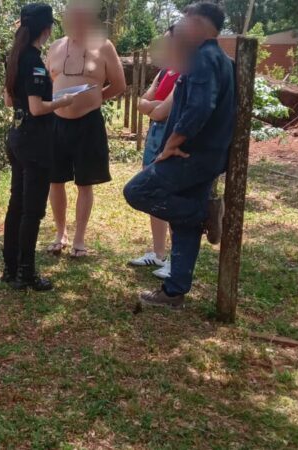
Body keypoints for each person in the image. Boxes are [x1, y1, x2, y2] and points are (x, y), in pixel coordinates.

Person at [123, 1, 235, 309]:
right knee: (182, 222)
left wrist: (173, 141)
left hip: (191, 155)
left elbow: (200, 108)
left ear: (198, 26)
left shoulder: (203, 59)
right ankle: (174, 292)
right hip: (204, 156)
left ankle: (204, 214)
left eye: (185, 22)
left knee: (137, 190)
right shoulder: (219, 59)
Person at [2, 3, 74, 291]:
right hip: (34, 141)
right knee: (32, 210)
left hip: (17, 137)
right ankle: (26, 274)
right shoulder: (33, 61)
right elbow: (37, 107)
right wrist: (62, 101)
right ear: (46, 29)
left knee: (16, 204)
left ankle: (10, 268)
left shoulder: (15, 57)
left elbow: (9, 101)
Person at [45, 0, 126, 258]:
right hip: (56, 123)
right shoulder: (55, 47)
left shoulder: (104, 47)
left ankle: (79, 238)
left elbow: (119, 84)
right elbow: (48, 84)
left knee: (85, 182)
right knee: (54, 180)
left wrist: (93, 99)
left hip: (88, 123)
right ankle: (61, 233)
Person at [127, 25, 183, 279]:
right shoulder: (163, 73)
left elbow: (161, 110)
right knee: (152, 192)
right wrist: (153, 106)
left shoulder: (185, 73)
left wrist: (152, 106)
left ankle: (176, 257)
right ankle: (158, 253)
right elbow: (141, 103)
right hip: (154, 135)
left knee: (170, 193)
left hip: (169, 134)